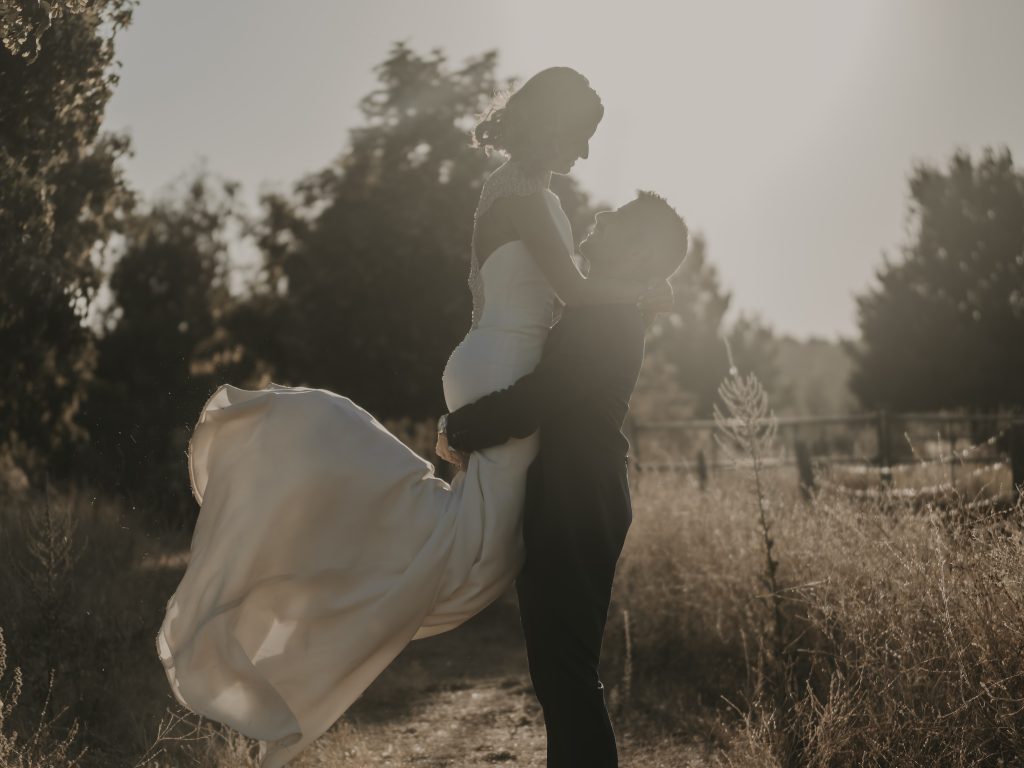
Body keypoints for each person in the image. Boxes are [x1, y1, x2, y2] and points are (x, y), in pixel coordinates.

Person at [156, 67, 669, 767]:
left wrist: (477, 377)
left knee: (473, 556)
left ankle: (324, 553)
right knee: (468, 559)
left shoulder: (510, 191)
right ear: (553, 121)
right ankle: (319, 573)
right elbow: (577, 295)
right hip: (502, 368)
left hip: (493, 359)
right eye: (581, 136)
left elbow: (499, 298)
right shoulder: (527, 196)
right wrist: (641, 285)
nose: (583, 155)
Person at [437, 191, 689, 767]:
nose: (599, 216)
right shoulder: (605, 309)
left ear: (639, 249)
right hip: (574, 497)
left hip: (581, 502)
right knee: (560, 678)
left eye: (618, 219)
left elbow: (542, 397)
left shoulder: (610, 318)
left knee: (567, 676)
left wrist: (461, 426)